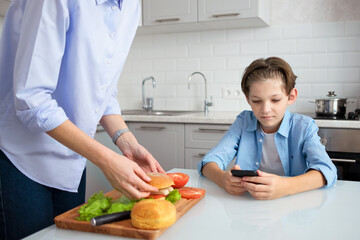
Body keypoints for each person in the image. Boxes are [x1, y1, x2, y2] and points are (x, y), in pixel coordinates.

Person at [0, 1, 164, 239]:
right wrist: (106, 160)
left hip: (73, 157)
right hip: (21, 157)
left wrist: (126, 140)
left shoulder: (130, 7)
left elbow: (102, 91)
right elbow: (32, 101)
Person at [198, 57, 337, 200]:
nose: (265, 110)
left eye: (275, 100)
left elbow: (327, 170)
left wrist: (286, 186)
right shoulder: (244, 122)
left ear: (291, 96)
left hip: (294, 207)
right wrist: (222, 179)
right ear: (248, 99)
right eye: (256, 101)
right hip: (248, 205)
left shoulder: (304, 126)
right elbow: (209, 161)